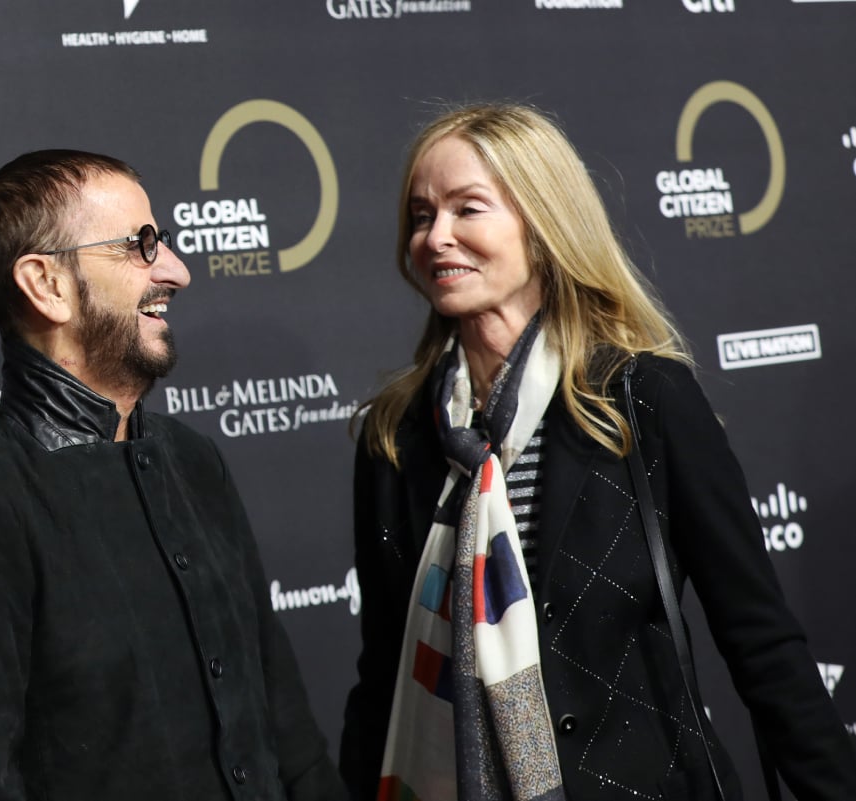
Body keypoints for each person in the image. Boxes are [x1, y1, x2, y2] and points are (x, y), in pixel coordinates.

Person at [338, 104, 856, 801]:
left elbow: (760, 642)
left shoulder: (642, 399)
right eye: (421, 214)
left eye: (468, 209)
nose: (437, 237)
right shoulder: (396, 437)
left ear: (543, 225)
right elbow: (383, 679)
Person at [0, 149, 345, 801]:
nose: (176, 270)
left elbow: (289, 735)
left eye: (161, 241)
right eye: (140, 245)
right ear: (45, 284)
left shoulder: (195, 463)